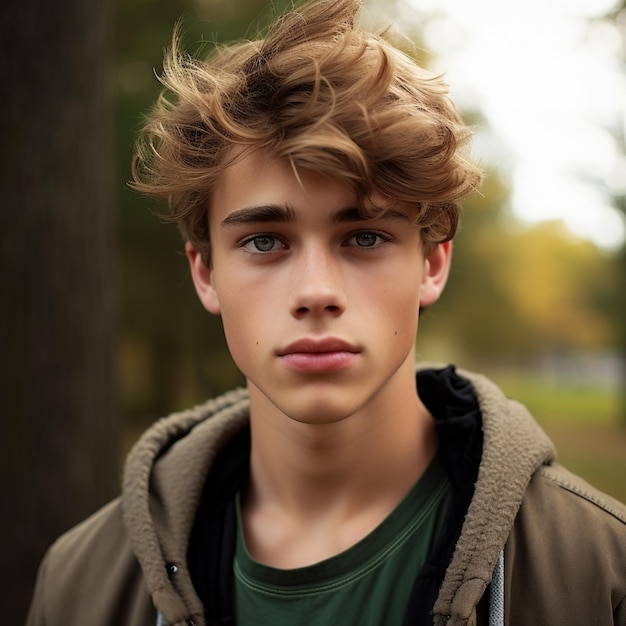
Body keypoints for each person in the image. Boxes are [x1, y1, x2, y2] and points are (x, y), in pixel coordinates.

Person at [27, 0, 626, 624]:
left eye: (364, 237)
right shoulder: (80, 584)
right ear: (205, 273)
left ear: (432, 264)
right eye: (264, 242)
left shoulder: (600, 572)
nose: (315, 291)